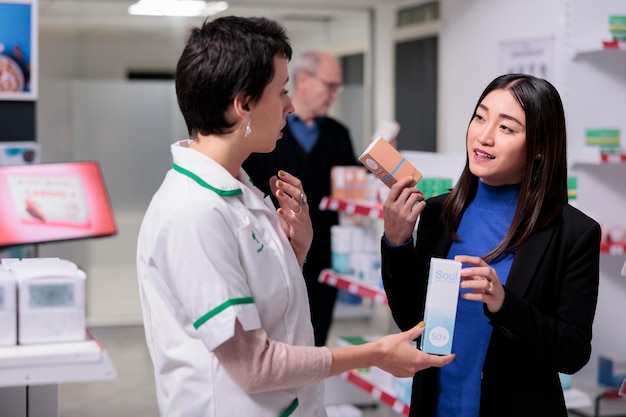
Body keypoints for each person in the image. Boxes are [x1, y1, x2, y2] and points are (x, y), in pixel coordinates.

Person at [136, 16, 454, 417]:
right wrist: (374, 354)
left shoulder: (240, 187)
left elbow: (266, 308)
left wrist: (295, 251)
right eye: (280, 91)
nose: (288, 105)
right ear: (243, 105)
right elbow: (255, 366)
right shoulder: (194, 214)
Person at [380, 74, 601, 417]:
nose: (483, 136)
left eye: (506, 128)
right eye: (480, 117)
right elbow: (412, 321)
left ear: (541, 147)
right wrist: (396, 243)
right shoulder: (439, 213)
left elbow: (572, 354)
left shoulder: (573, 233)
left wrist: (503, 304)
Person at [243, 50, 358, 346]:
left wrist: (377, 165)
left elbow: (352, 186)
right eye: (330, 85)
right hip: (272, 251)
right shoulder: (266, 134)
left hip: (323, 258)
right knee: (275, 343)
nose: (334, 95)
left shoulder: (338, 134)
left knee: (315, 341)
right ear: (304, 80)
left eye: (337, 88)